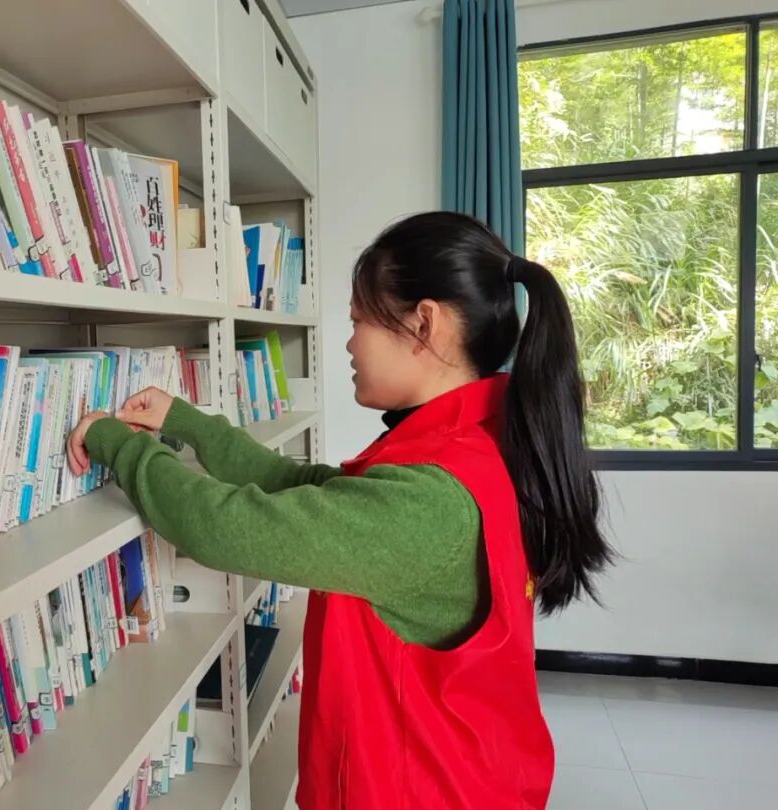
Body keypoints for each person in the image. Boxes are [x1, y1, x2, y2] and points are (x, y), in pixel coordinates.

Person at [67, 211, 613, 809]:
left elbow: (223, 528)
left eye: (358, 321)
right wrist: (187, 422)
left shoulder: (429, 500)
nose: (349, 342)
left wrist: (116, 443)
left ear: (423, 323)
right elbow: (302, 485)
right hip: (461, 775)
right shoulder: (476, 444)